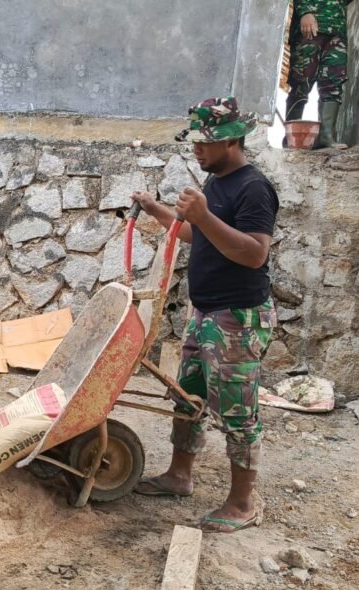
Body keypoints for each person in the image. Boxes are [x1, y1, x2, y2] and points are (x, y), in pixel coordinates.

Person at [131, 97, 278, 534]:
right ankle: (179, 476)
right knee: (187, 394)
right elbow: (205, 236)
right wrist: (161, 211)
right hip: (208, 312)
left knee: (236, 410)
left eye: (204, 143)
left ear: (231, 140)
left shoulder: (254, 187)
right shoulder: (216, 182)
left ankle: (243, 502)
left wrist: (205, 215)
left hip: (238, 316)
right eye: (193, 142)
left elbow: (254, 253)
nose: (196, 150)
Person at [285, 0, 354, 148]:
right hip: (310, 27)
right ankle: (291, 138)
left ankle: (326, 137)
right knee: (301, 82)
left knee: (334, 83)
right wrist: (305, 12)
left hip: (337, 30)